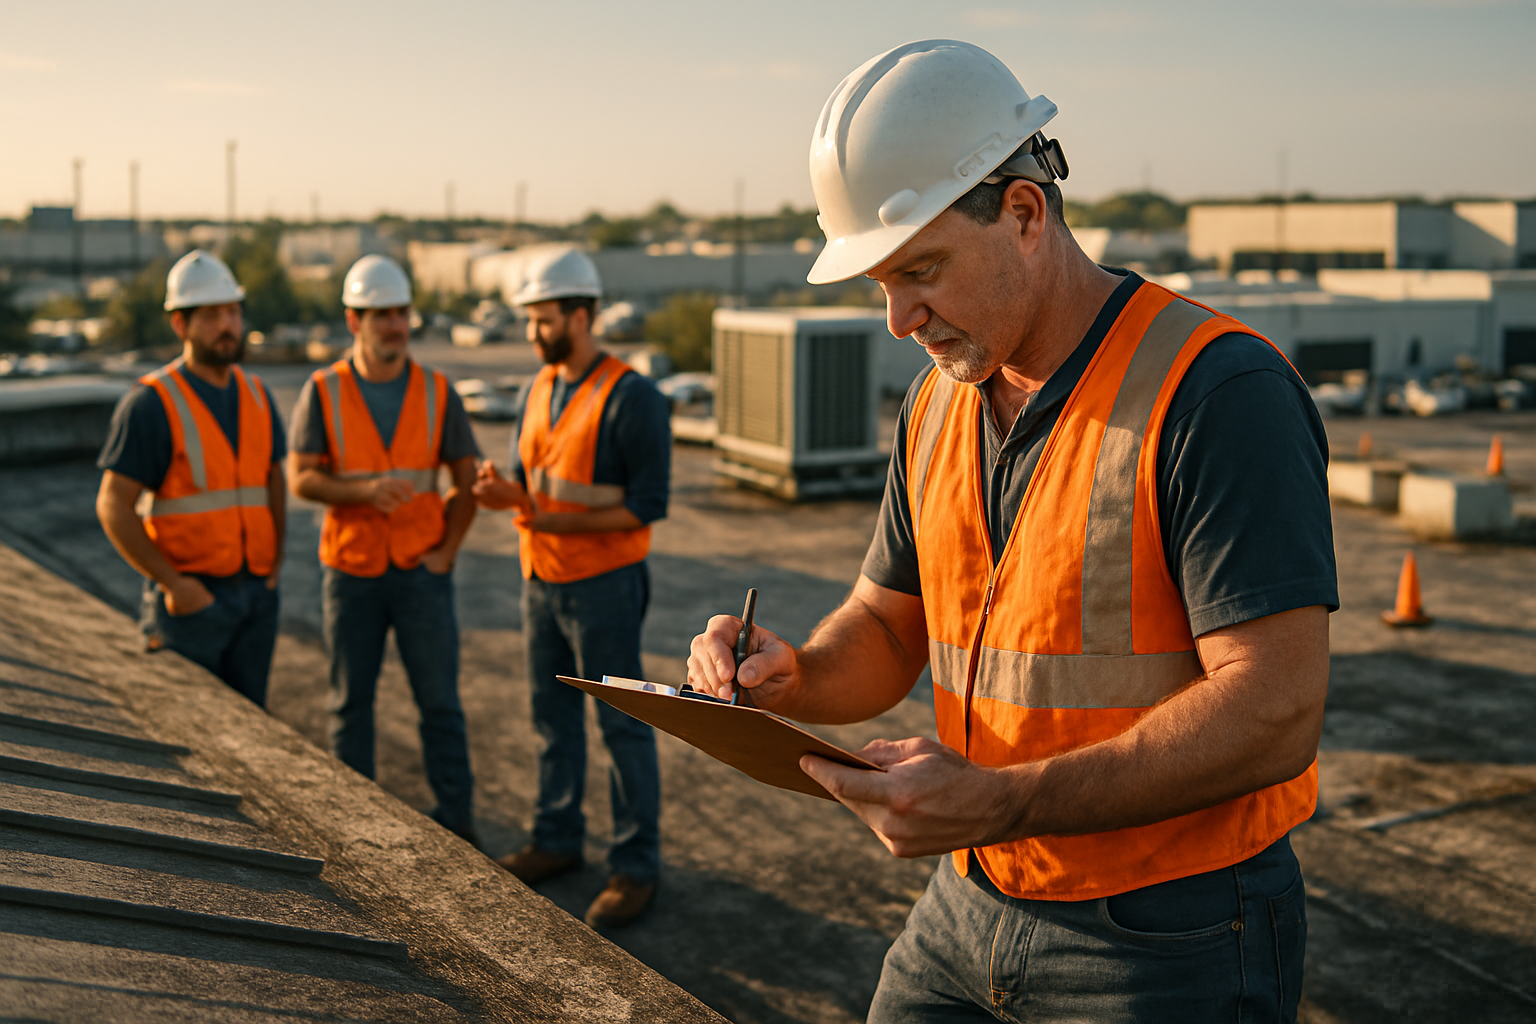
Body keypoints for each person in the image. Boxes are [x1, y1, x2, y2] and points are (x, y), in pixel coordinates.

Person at [687, 40, 1336, 1023]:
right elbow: (890, 623)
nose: (901, 318)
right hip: (970, 896)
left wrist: (1003, 798)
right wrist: (799, 675)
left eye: (923, 271)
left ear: (1025, 213)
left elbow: (1278, 709)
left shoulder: (1215, 392)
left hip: (1173, 934)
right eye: (880, 284)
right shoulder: (938, 404)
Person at [473, 247, 671, 929]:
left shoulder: (632, 397)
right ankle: (556, 839)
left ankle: (635, 868)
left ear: (583, 315)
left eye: (545, 320)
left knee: (623, 727)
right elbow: (527, 483)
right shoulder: (538, 387)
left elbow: (644, 506)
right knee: (551, 721)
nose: (533, 333)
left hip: (606, 587)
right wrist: (505, 495)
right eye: (529, 320)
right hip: (541, 581)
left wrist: (530, 510)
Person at [287, 254, 481, 844]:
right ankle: (352, 827)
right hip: (351, 572)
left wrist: (447, 550)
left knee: (440, 705)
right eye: (381, 314)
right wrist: (363, 491)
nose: (394, 325)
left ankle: (459, 826)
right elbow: (300, 479)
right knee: (350, 705)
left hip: (423, 573)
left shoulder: (437, 390)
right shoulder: (323, 390)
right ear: (354, 320)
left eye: (401, 312)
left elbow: (467, 481)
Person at [97, 250, 286, 706]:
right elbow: (113, 506)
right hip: (192, 604)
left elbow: (273, 479)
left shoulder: (258, 393)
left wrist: (276, 562)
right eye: (211, 315)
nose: (227, 325)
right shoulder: (151, 403)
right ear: (179, 325)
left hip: (257, 597)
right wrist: (174, 584)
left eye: (233, 312)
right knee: (194, 742)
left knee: (255, 733)